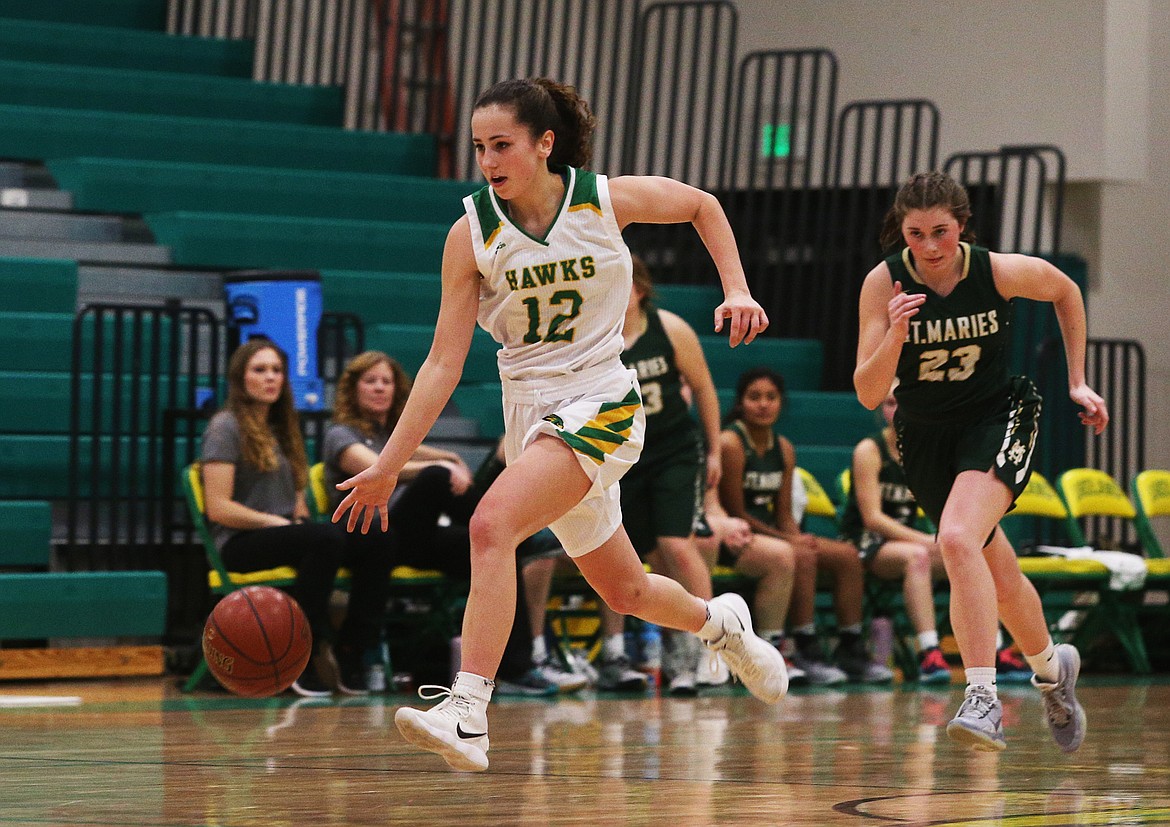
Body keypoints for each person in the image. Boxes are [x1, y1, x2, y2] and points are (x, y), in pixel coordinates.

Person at [333, 77, 787, 772]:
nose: (488, 160)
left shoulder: (603, 200)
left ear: (544, 144)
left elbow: (702, 205)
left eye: (502, 145)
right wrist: (390, 463)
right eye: (480, 147)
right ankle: (720, 625)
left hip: (601, 398)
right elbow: (440, 364)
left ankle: (468, 709)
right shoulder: (471, 232)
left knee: (491, 525)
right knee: (625, 590)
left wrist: (737, 288)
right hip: (531, 412)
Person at [854, 170, 1108, 752]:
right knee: (997, 569)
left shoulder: (997, 271)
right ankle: (1051, 673)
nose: (930, 247)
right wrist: (894, 334)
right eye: (915, 235)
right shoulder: (883, 283)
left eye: (941, 231)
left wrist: (1077, 380)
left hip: (997, 416)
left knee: (958, 538)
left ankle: (982, 696)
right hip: (925, 436)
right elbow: (869, 393)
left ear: (962, 226)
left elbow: (1066, 291)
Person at [322, 350, 583, 695]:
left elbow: (419, 453)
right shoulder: (340, 434)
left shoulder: (393, 438)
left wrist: (449, 457)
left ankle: (518, 669)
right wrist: (442, 467)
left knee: (496, 551)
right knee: (434, 480)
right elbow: (375, 468)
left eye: (386, 381)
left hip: (410, 538)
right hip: (370, 540)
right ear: (352, 390)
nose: (380, 388)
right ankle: (515, 527)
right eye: (371, 381)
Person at [200, 338, 377, 697]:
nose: (270, 378)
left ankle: (353, 650)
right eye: (260, 370)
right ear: (240, 378)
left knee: (374, 538)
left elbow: (296, 501)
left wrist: (295, 519)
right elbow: (218, 507)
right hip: (239, 540)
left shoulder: (283, 429)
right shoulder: (225, 427)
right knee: (324, 538)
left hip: (284, 535)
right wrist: (276, 523)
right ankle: (304, 656)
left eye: (277, 370)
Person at [718, 366, 893, 684]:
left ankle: (850, 646)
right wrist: (791, 542)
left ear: (781, 403)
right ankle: (803, 645)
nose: (763, 404)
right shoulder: (731, 443)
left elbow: (783, 512)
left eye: (771, 397)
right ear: (740, 403)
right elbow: (736, 512)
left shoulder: (783, 447)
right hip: (737, 536)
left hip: (770, 532)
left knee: (847, 555)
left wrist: (795, 536)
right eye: (754, 397)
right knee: (802, 554)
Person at [839, 387, 951, 683]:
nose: (899, 410)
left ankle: (998, 649)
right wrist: (926, 540)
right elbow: (873, 519)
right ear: (880, 408)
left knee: (969, 555)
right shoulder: (869, 450)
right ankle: (929, 653)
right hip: (863, 542)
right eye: (890, 402)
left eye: (906, 401)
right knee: (918, 557)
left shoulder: (923, 450)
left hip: (906, 542)